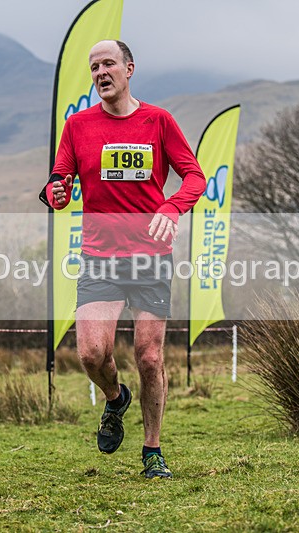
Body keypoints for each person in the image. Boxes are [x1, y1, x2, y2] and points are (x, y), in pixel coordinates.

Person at [40, 41, 206, 478]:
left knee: (149, 357)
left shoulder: (158, 121)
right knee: (92, 354)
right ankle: (116, 399)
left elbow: (194, 176)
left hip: (151, 256)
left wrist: (171, 208)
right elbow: (59, 182)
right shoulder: (78, 126)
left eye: (108, 63)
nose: (100, 72)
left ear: (129, 68)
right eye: (94, 67)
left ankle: (152, 451)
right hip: (100, 257)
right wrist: (54, 192)